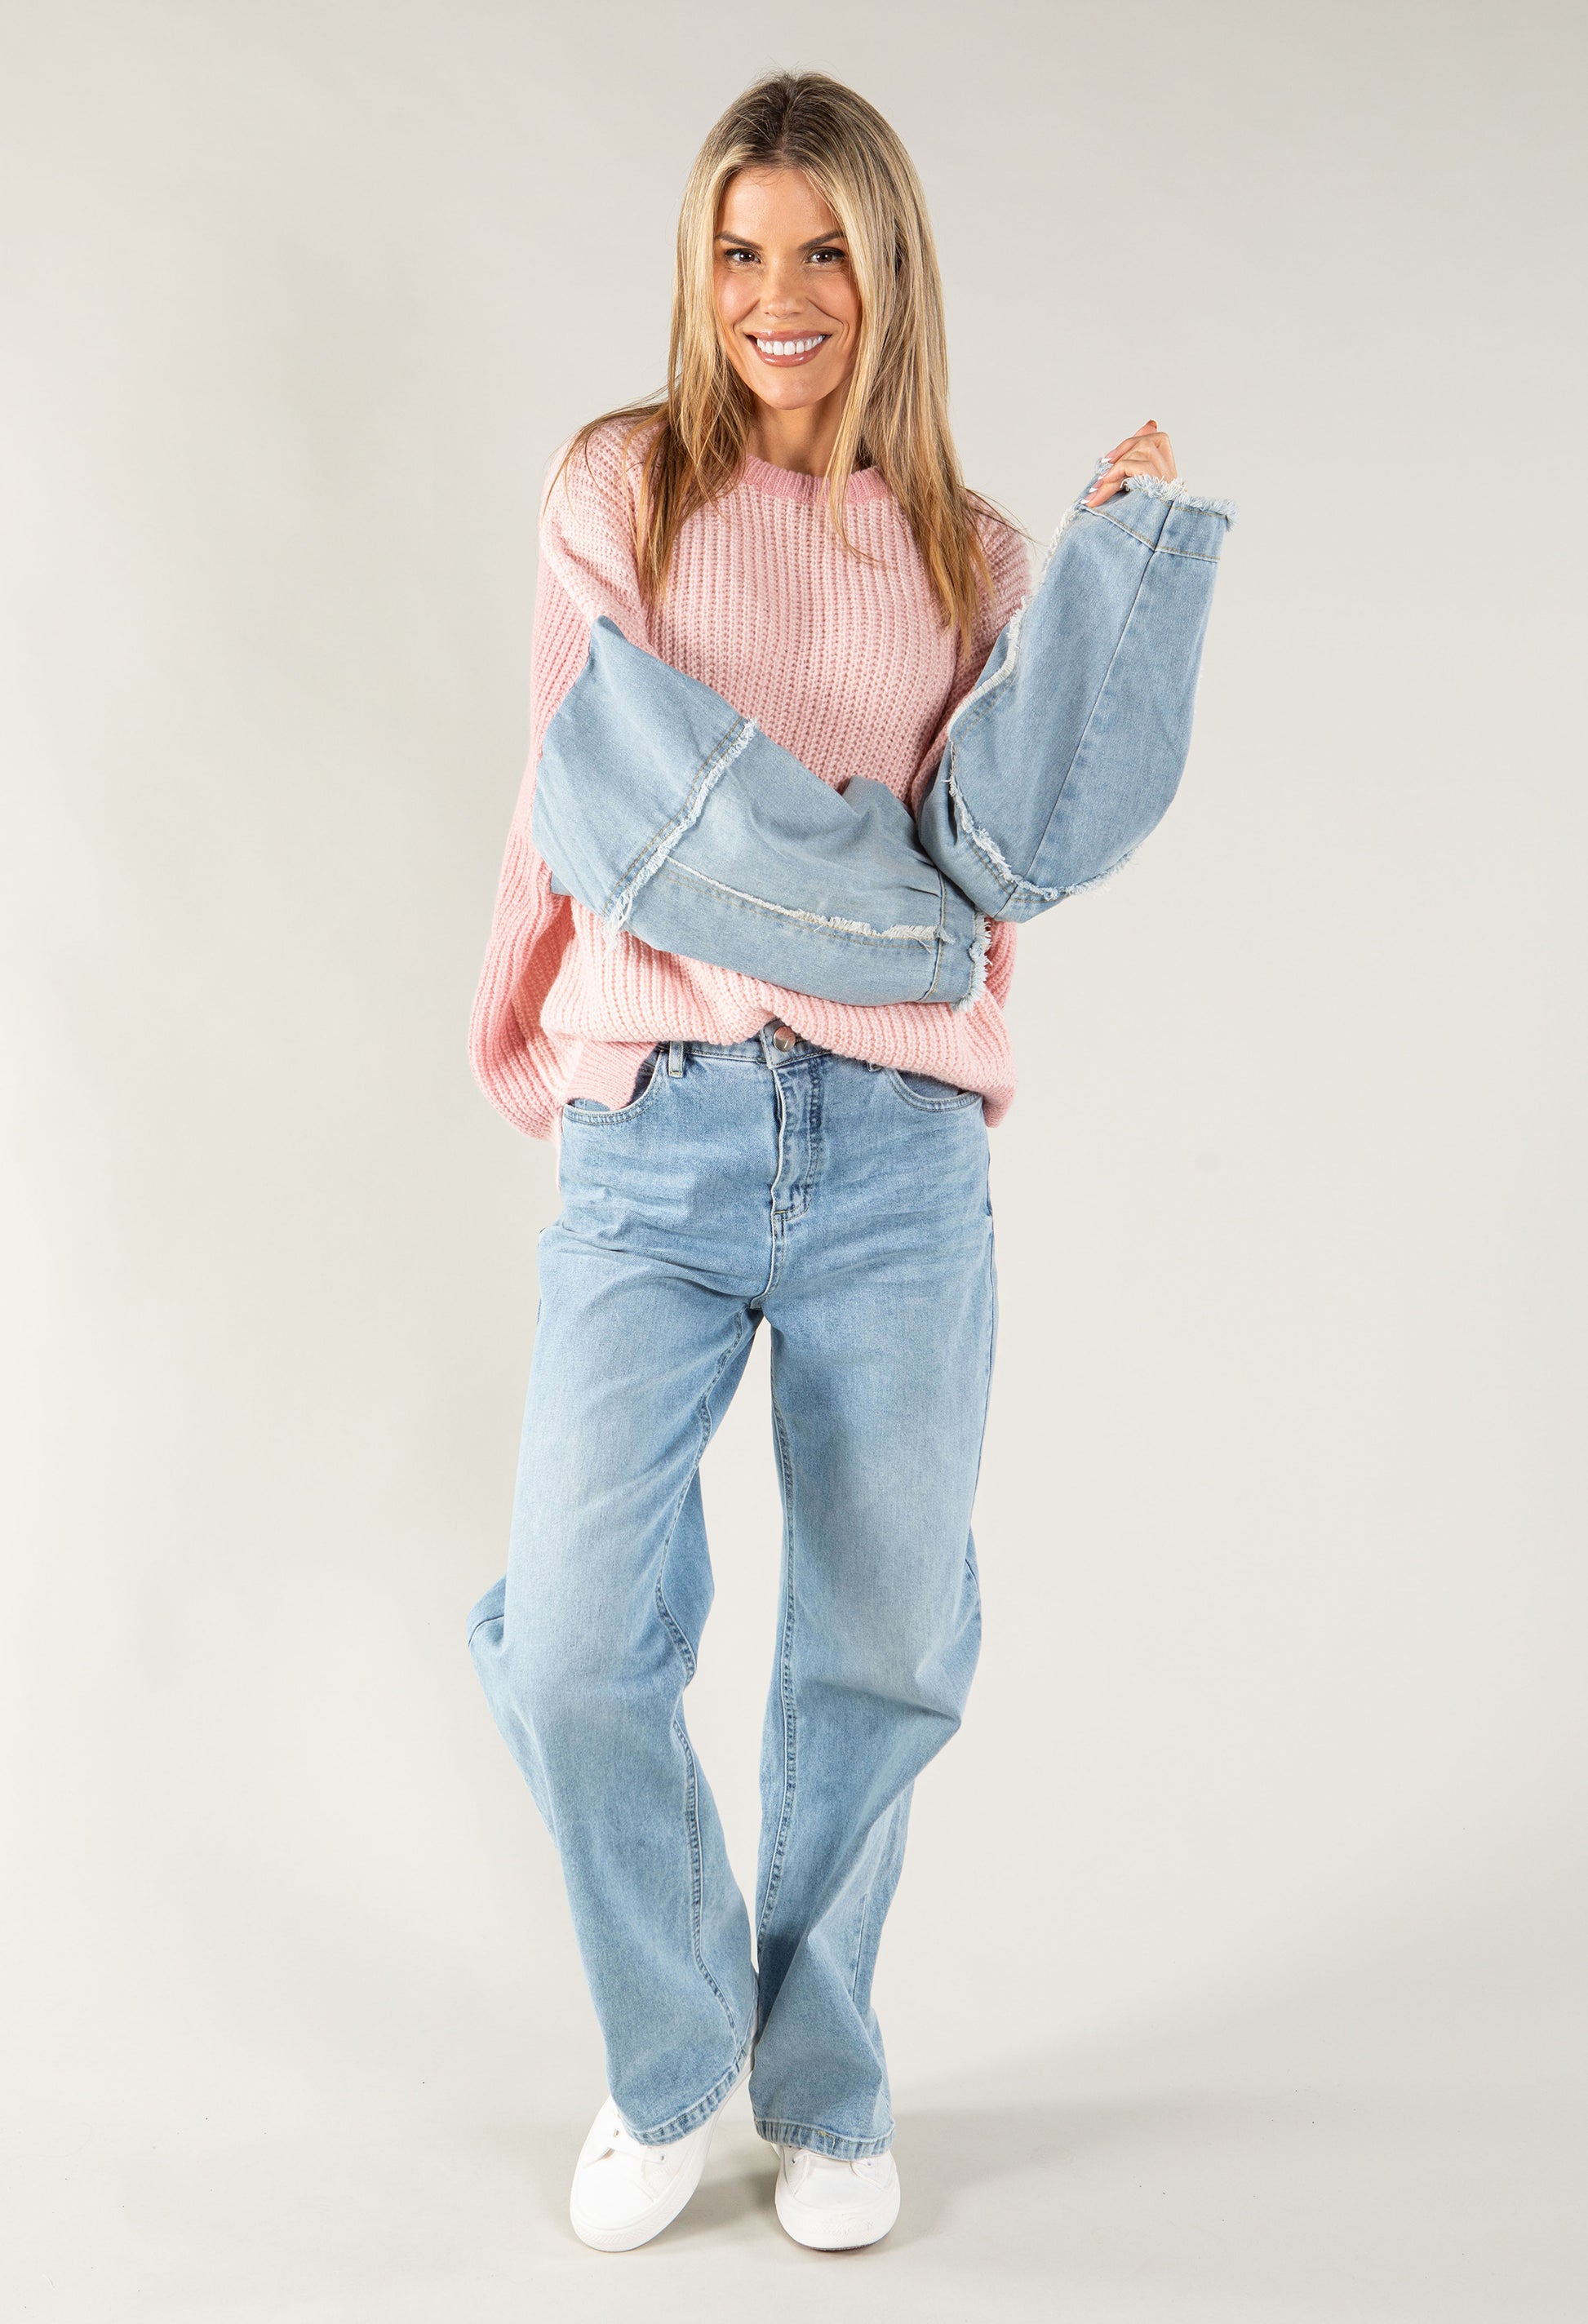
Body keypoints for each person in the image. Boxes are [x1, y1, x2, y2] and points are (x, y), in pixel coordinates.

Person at [465, 69, 1231, 2255]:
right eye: (739, 250)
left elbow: (1015, 851)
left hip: (898, 1163)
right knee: (572, 1641)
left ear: (889, 271)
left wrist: (1113, 585)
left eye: (823, 249)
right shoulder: (617, 492)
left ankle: (824, 2082)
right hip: (658, 1138)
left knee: (882, 1645)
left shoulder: (975, 558)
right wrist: (893, 929)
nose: (778, 294)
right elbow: (616, 801)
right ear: (696, 272)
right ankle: (669, 2055)